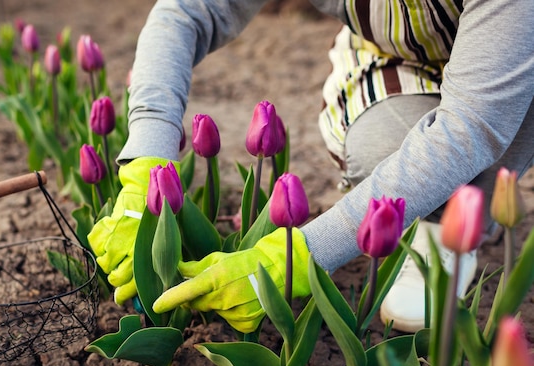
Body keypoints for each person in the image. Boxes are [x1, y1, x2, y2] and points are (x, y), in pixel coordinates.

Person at [88, 0, 534, 333]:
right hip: (402, 55)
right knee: (379, 148)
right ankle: (432, 214)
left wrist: (302, 256)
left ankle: (450, 228)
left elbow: (473, 123)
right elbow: (186, 12)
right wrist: (147, 153)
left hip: (514, 64)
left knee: (477, 155)